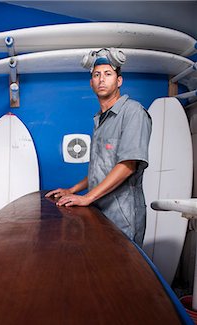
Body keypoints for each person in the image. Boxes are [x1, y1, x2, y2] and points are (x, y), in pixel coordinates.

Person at [45, 48, 152, 247]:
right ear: (91, 83)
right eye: (97, 75)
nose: (102, 79)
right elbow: (101, 168)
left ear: (119, 81)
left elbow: (127, 165)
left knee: (123, 273)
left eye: (108, 74)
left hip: (123, 217)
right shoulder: (101, 120)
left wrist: (86, 198)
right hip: (99, 211)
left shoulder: (133, 112)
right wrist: (73, 189)